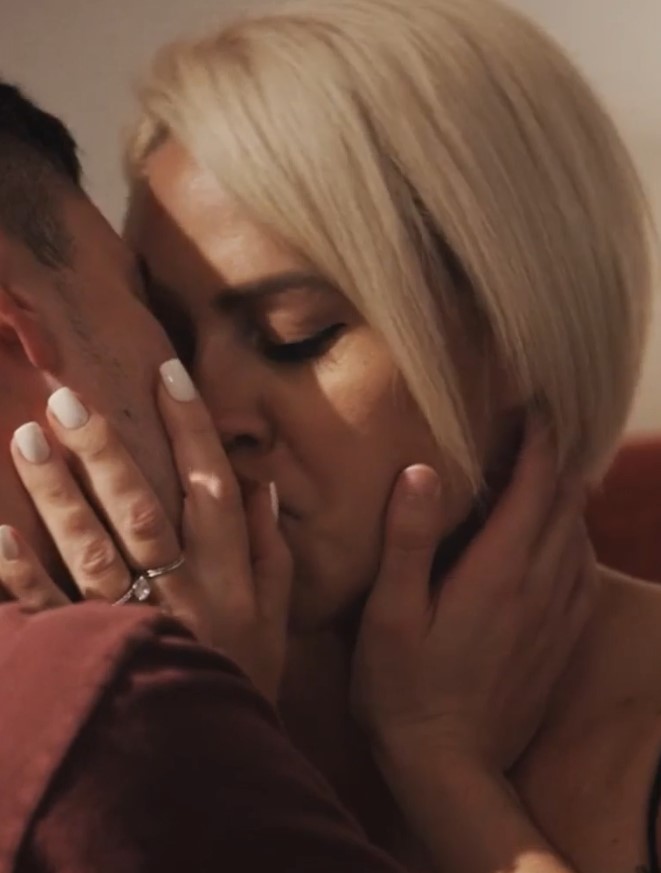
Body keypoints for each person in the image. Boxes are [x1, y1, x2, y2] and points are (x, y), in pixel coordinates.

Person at [0, 0, 656, 870]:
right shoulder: (148, 681)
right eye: (171, 335)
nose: (211, 409)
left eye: (292, 336)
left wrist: (442, 772)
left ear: (518, 327)